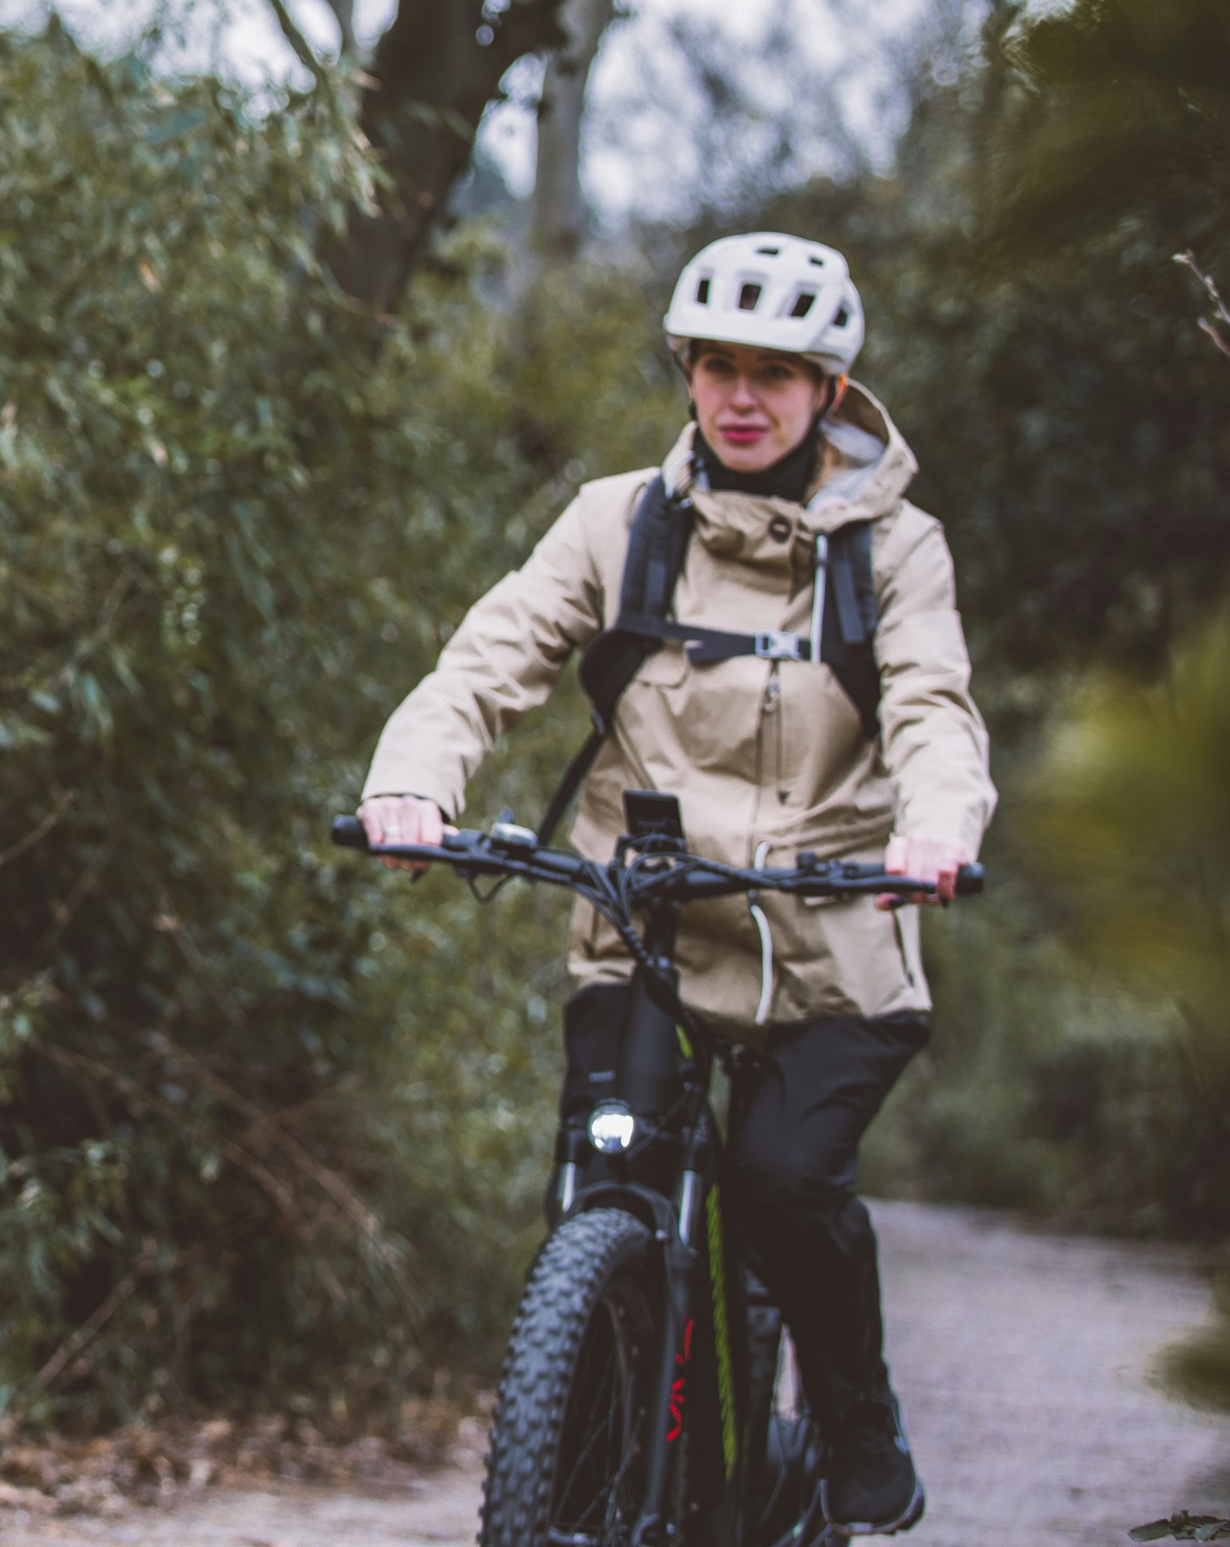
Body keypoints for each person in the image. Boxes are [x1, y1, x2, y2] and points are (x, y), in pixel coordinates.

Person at [357, 231, 992, 1536]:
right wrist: (413, 781)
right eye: (715, 367)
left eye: (773, 372)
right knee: (599, 1194)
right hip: (643, 929)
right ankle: (573, 1488)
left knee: (776, 1181)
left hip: (834, 947)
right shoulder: (617, 524)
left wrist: (936, 830)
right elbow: (486, 661)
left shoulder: (893, 550)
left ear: (827, 390)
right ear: (686, 374)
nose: (740, 397)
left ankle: (854, 1423)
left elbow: (931, 707)